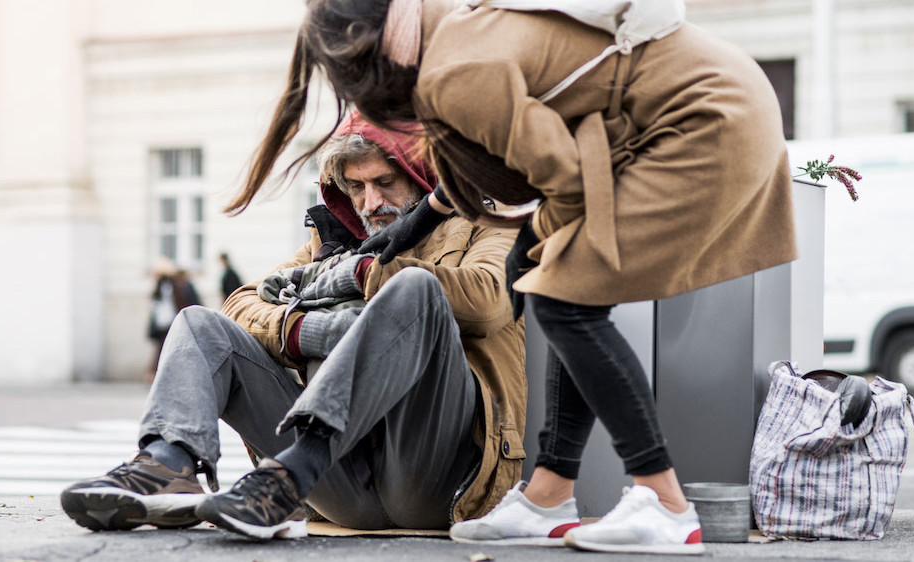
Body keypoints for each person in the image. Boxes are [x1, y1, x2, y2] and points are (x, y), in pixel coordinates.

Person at [226, 0, 799, 554]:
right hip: (684, 110)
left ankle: (664, 502)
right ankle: (548, 497)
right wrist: (413, 226)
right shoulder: (454, 30)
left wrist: (552, 253)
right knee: (541, 275)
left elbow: (559, 178)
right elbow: (502, 156)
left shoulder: (453, 67)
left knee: (566, 301)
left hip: (698, 123)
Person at [61, 112, 526, 540]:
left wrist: (364, 274)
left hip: (434, 476)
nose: (372, 202)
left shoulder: (483, 215)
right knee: (200, 326)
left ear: (422, 173)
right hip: (344, 489)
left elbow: (489, 300)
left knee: (415, 288)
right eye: (357, 187)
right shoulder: (334, 237)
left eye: (385, 182)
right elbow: (239, 304)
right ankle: (167, 465)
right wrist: (303, 331)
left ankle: (294, 468)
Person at [146, 258, 201, 383]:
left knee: (163, 349)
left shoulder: (166, 286)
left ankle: (155, 374)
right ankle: (156, 374)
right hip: (168, 323)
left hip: (166, 323)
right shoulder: (168, 286)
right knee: (165, 349)